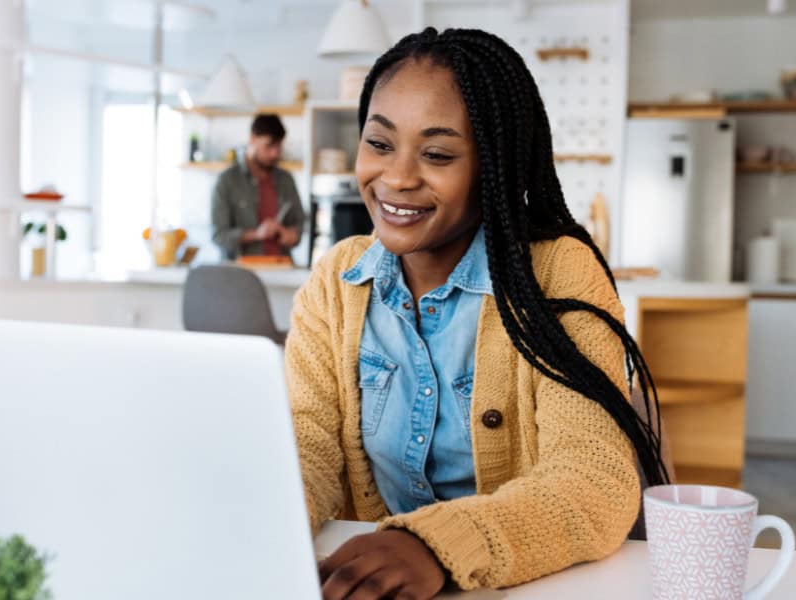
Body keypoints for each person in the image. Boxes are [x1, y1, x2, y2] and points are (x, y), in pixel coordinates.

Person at [285, 28, 668, 599]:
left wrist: (433, 545)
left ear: (495, 167)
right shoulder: (336, 280)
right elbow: (306, 444)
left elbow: (594, 481)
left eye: (437, 154)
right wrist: (256, 509)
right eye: (380, 143)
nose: (396, 177)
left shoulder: (558, 273)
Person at [210, 114, 305, 259]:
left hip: (282, 269)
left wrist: (291, 234)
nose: (275, 153)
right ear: (252, 139)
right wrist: (256, 234)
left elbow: (299, 225)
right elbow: (219, 236)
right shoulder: (227, 180)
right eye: (269, 146)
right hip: (240, 272)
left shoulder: (286, 179)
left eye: (278, 147)